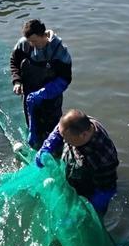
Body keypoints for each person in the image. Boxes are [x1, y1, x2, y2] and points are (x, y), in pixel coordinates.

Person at [35, 109, 119, 216]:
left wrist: (86, 209)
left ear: (83, 135)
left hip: (88, 183)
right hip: (74, 164)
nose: (63, 140)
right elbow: (61, 128)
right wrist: (47, 146)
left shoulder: (102, 157)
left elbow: (106, 187)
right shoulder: (82, 124)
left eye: (66, 138)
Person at [10, 19, 72, 149]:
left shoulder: (58, 50)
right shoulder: (24, 44)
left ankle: (55, 150)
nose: (32, 44)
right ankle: (35, 144)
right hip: (29, 92)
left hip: (51, 95)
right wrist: (17, 81)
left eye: (35, 41)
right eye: (29, 41)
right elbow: (14, 62)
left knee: (53, 126)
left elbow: (65, 78)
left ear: (43, 35)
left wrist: (44, 93)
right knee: (32, 123)